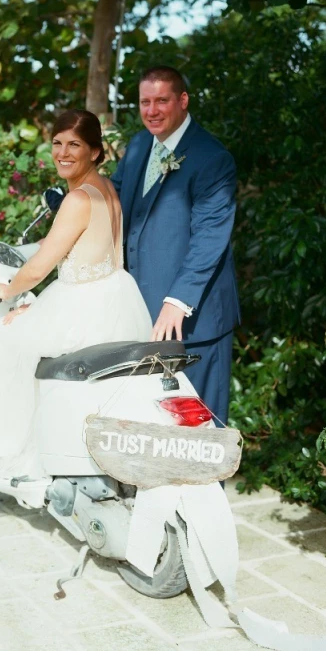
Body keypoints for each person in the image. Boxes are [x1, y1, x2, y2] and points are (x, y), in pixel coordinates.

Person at [0, 109, 152, 492]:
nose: (63, 152)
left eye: (74, 144)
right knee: (26, 332)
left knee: (2, 339)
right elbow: (75, 250)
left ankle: (13, 450)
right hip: (115, 298)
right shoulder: (106, 189)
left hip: (82, 306)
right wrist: (40, 305)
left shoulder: (77, 199)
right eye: (57, 143)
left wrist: (6, 291)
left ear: (94, 151)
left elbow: (38, 269)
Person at [112, 66, 240, 425]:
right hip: (141, 313)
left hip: (194, 320)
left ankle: (209, 485)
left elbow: (210, 237)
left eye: (161, 101)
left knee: (200, 432)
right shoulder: (138, 146)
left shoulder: (212, 158)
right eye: (145, 102)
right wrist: (74, 201)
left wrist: (178, 302)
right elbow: (115, 201)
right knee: (152, 428)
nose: (151, 111)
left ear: (182, 101)